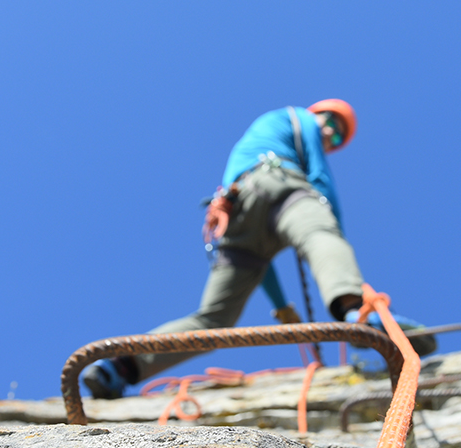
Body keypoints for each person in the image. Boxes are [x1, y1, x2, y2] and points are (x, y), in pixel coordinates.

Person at [82, 99, 436, 399]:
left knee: (215, 319)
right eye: (331, 125)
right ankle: (356, 312)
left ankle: (120, 365)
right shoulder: (299, 117)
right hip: (279, 184)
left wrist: (282, 307)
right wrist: (331, 222)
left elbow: (259, 259)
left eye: (338, 134)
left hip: (240, 212)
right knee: (320, 235)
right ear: (318, 115)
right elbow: (318, 174)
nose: (331, 134)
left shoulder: (258, 138)